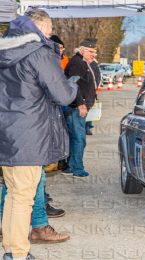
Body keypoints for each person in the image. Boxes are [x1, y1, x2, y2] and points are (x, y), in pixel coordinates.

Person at [0, 8, 77, 259]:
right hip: (29, 135)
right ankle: (19, 254)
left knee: (14, 194)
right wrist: (73, 84)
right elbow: (63, 94)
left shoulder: (4, 51)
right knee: (24, 198)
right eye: (50, 30)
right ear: (41, 28)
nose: (50, 35)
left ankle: (12, 248)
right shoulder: (39, 53)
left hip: (6, 134)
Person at [63, 38, 98, 178]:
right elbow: (73, 85)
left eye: (94, 52)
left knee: (74, 137)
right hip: (76, 107)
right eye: (90, 51)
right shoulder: (77, 63)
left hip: (77, 106)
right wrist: (80, 104)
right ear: (82, 50)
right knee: (79, 138)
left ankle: (71, 166)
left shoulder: (82, 62)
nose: (93, 54)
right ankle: (77, 168)